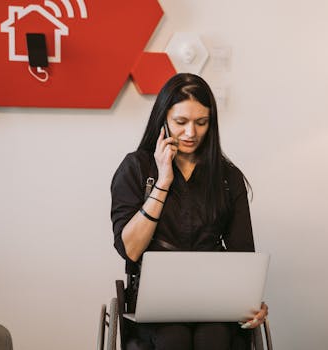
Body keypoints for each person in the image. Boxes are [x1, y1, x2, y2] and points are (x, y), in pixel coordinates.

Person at [110, 73, 268, 350]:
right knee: (174, 339)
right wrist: (164, 181)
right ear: (163, 120)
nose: (191, 133)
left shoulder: (228, 177)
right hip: (154, 303)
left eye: (201, 122)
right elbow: (130, 250)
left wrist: (251, 303)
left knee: (215, 339)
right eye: (180, 122)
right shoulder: (136, 168)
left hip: (215, 299)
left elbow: (243, 256)